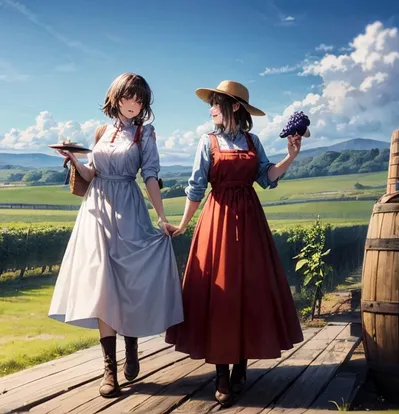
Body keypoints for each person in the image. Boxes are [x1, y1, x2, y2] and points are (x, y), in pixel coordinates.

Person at [164, 80, 305, 406]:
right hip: (217, 223)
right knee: (221, 293)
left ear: (235, 107)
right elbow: (196, 187)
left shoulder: (253, 140)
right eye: (212, 103)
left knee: (248, 289)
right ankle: (222, 376)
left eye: (216, 103)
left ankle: (241, 364)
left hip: (251, 223)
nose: (211, 109)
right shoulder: (207, 141)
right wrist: (184, 224)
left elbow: (267, 178)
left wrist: (291, 157)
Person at [48, 72, 184, 398]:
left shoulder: (145, 134)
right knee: (101, 287)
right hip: (95, 213)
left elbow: (150, 177)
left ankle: (132, 344)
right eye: (128, 97)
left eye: (140, 99)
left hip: (129, 210)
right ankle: (109, 369)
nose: (134, 104)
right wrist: (73, 160)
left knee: (128, 283)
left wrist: (163, 218)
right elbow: (91, 174)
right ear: (116, 97)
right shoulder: (101, 132)